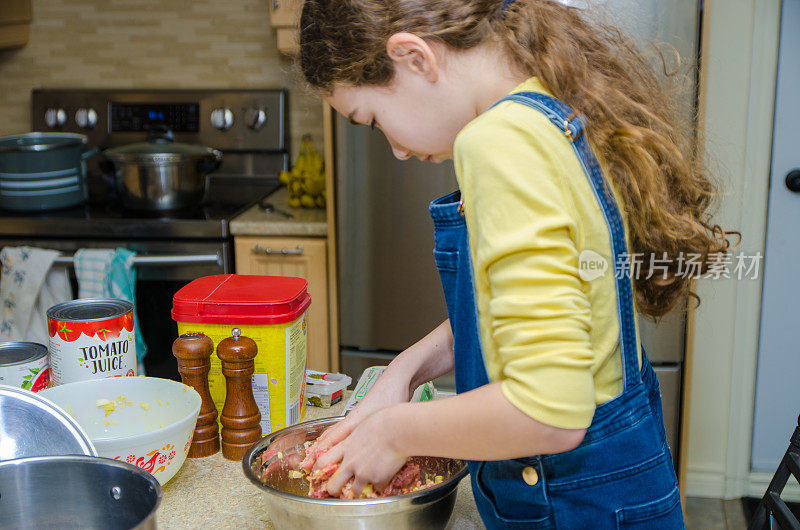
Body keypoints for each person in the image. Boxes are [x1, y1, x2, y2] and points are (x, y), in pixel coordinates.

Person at [297, 0, 734, 527]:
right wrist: (405, 372)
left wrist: (393, 431)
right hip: (624, 488)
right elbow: (531, 310)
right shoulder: (553, 104)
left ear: (414, 57)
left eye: (371, 120)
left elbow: (550, 410)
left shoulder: (499, 143)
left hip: (574, 505)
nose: (395, 150)